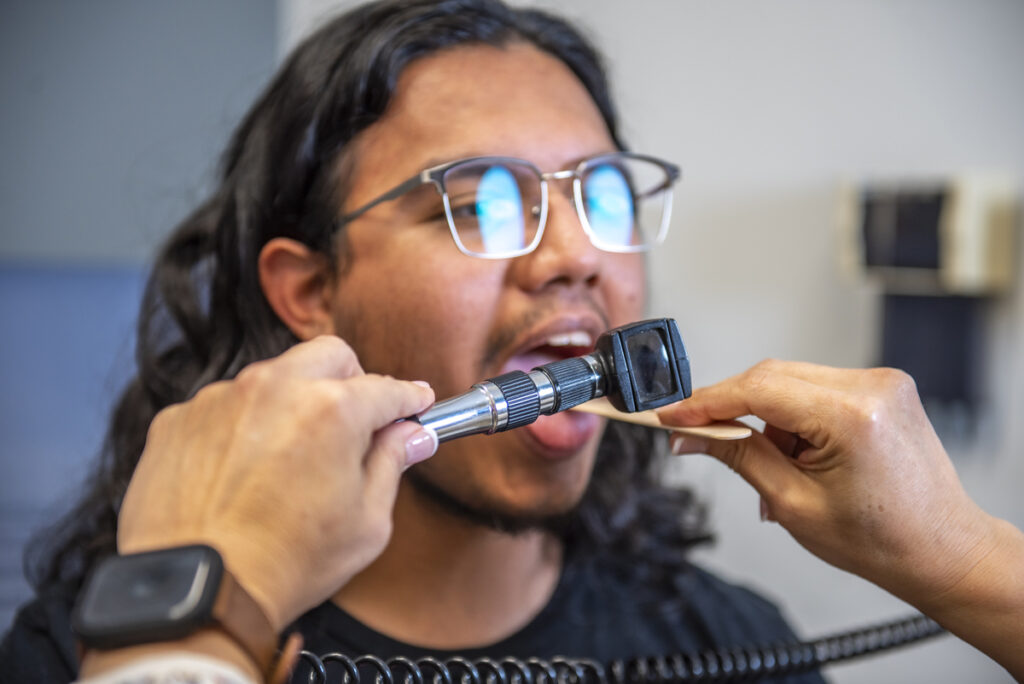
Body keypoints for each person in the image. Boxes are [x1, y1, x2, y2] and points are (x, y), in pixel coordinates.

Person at [0, 1, 822, 682]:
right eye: (482, 208)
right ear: (311, 291)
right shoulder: (91, 652)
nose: (578, 256)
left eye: (603, 198)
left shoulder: (739, 646)